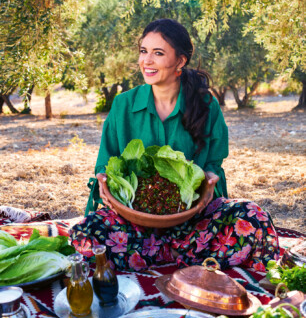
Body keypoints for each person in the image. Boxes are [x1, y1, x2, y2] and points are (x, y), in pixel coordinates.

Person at [71, 19, 279, 272]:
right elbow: (106, 162)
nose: (146, 61)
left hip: (193, 217)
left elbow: (213, 162)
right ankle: (184, 258)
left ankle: (161, 256)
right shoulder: (123, 104)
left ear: (180, 61)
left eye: (158, 53)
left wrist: (211, 177)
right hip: (135, 220)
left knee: (254, 217)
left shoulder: (205, 104)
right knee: (86, 232)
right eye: (143, 51)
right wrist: (103, 181)